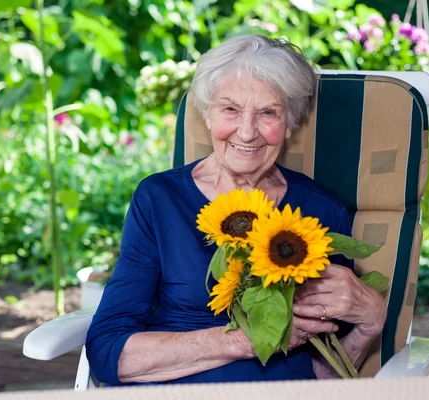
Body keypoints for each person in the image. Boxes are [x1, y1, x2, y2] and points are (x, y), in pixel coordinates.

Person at [85, 34, 386, 386]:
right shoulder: (160, 200)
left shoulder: (320, 212)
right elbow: (108, 353)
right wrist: (248, 341)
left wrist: (371, 322)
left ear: (290, 124)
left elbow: (322, 372)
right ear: (207, 114)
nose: (246, 132)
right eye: (230, 109)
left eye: (268, 113)